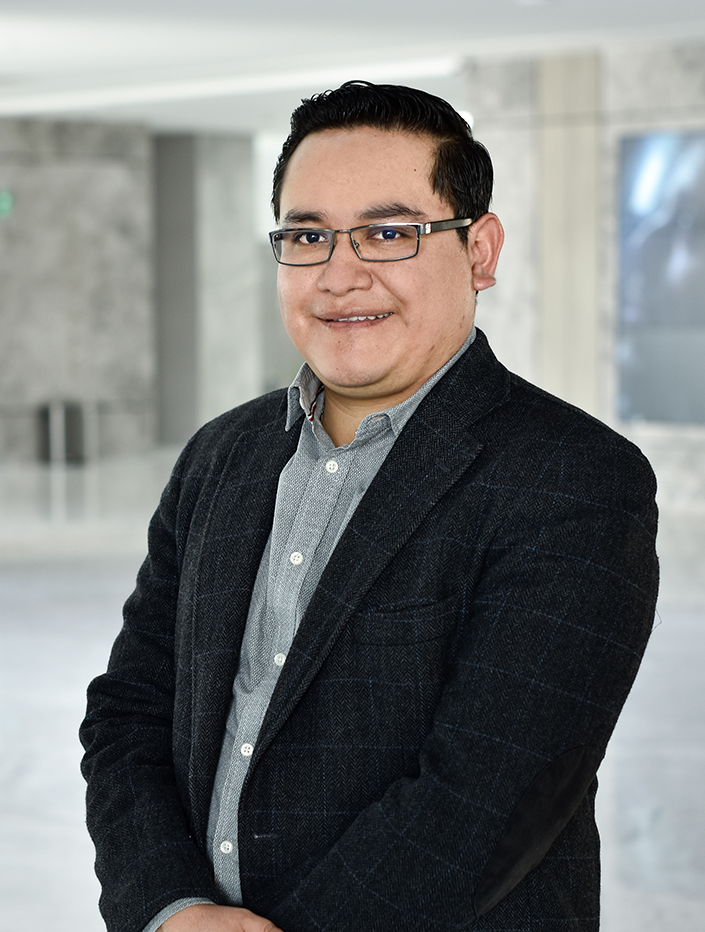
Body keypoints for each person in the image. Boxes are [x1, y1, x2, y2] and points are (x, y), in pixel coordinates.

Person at [80, 81, 659, 932]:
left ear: (480, 251)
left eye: (390, 233)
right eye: (307, 235)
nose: (341, 275)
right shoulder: (222, 457)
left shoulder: (573, 479)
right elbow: (128, 712)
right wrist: (171, 909)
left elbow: (491, 798)